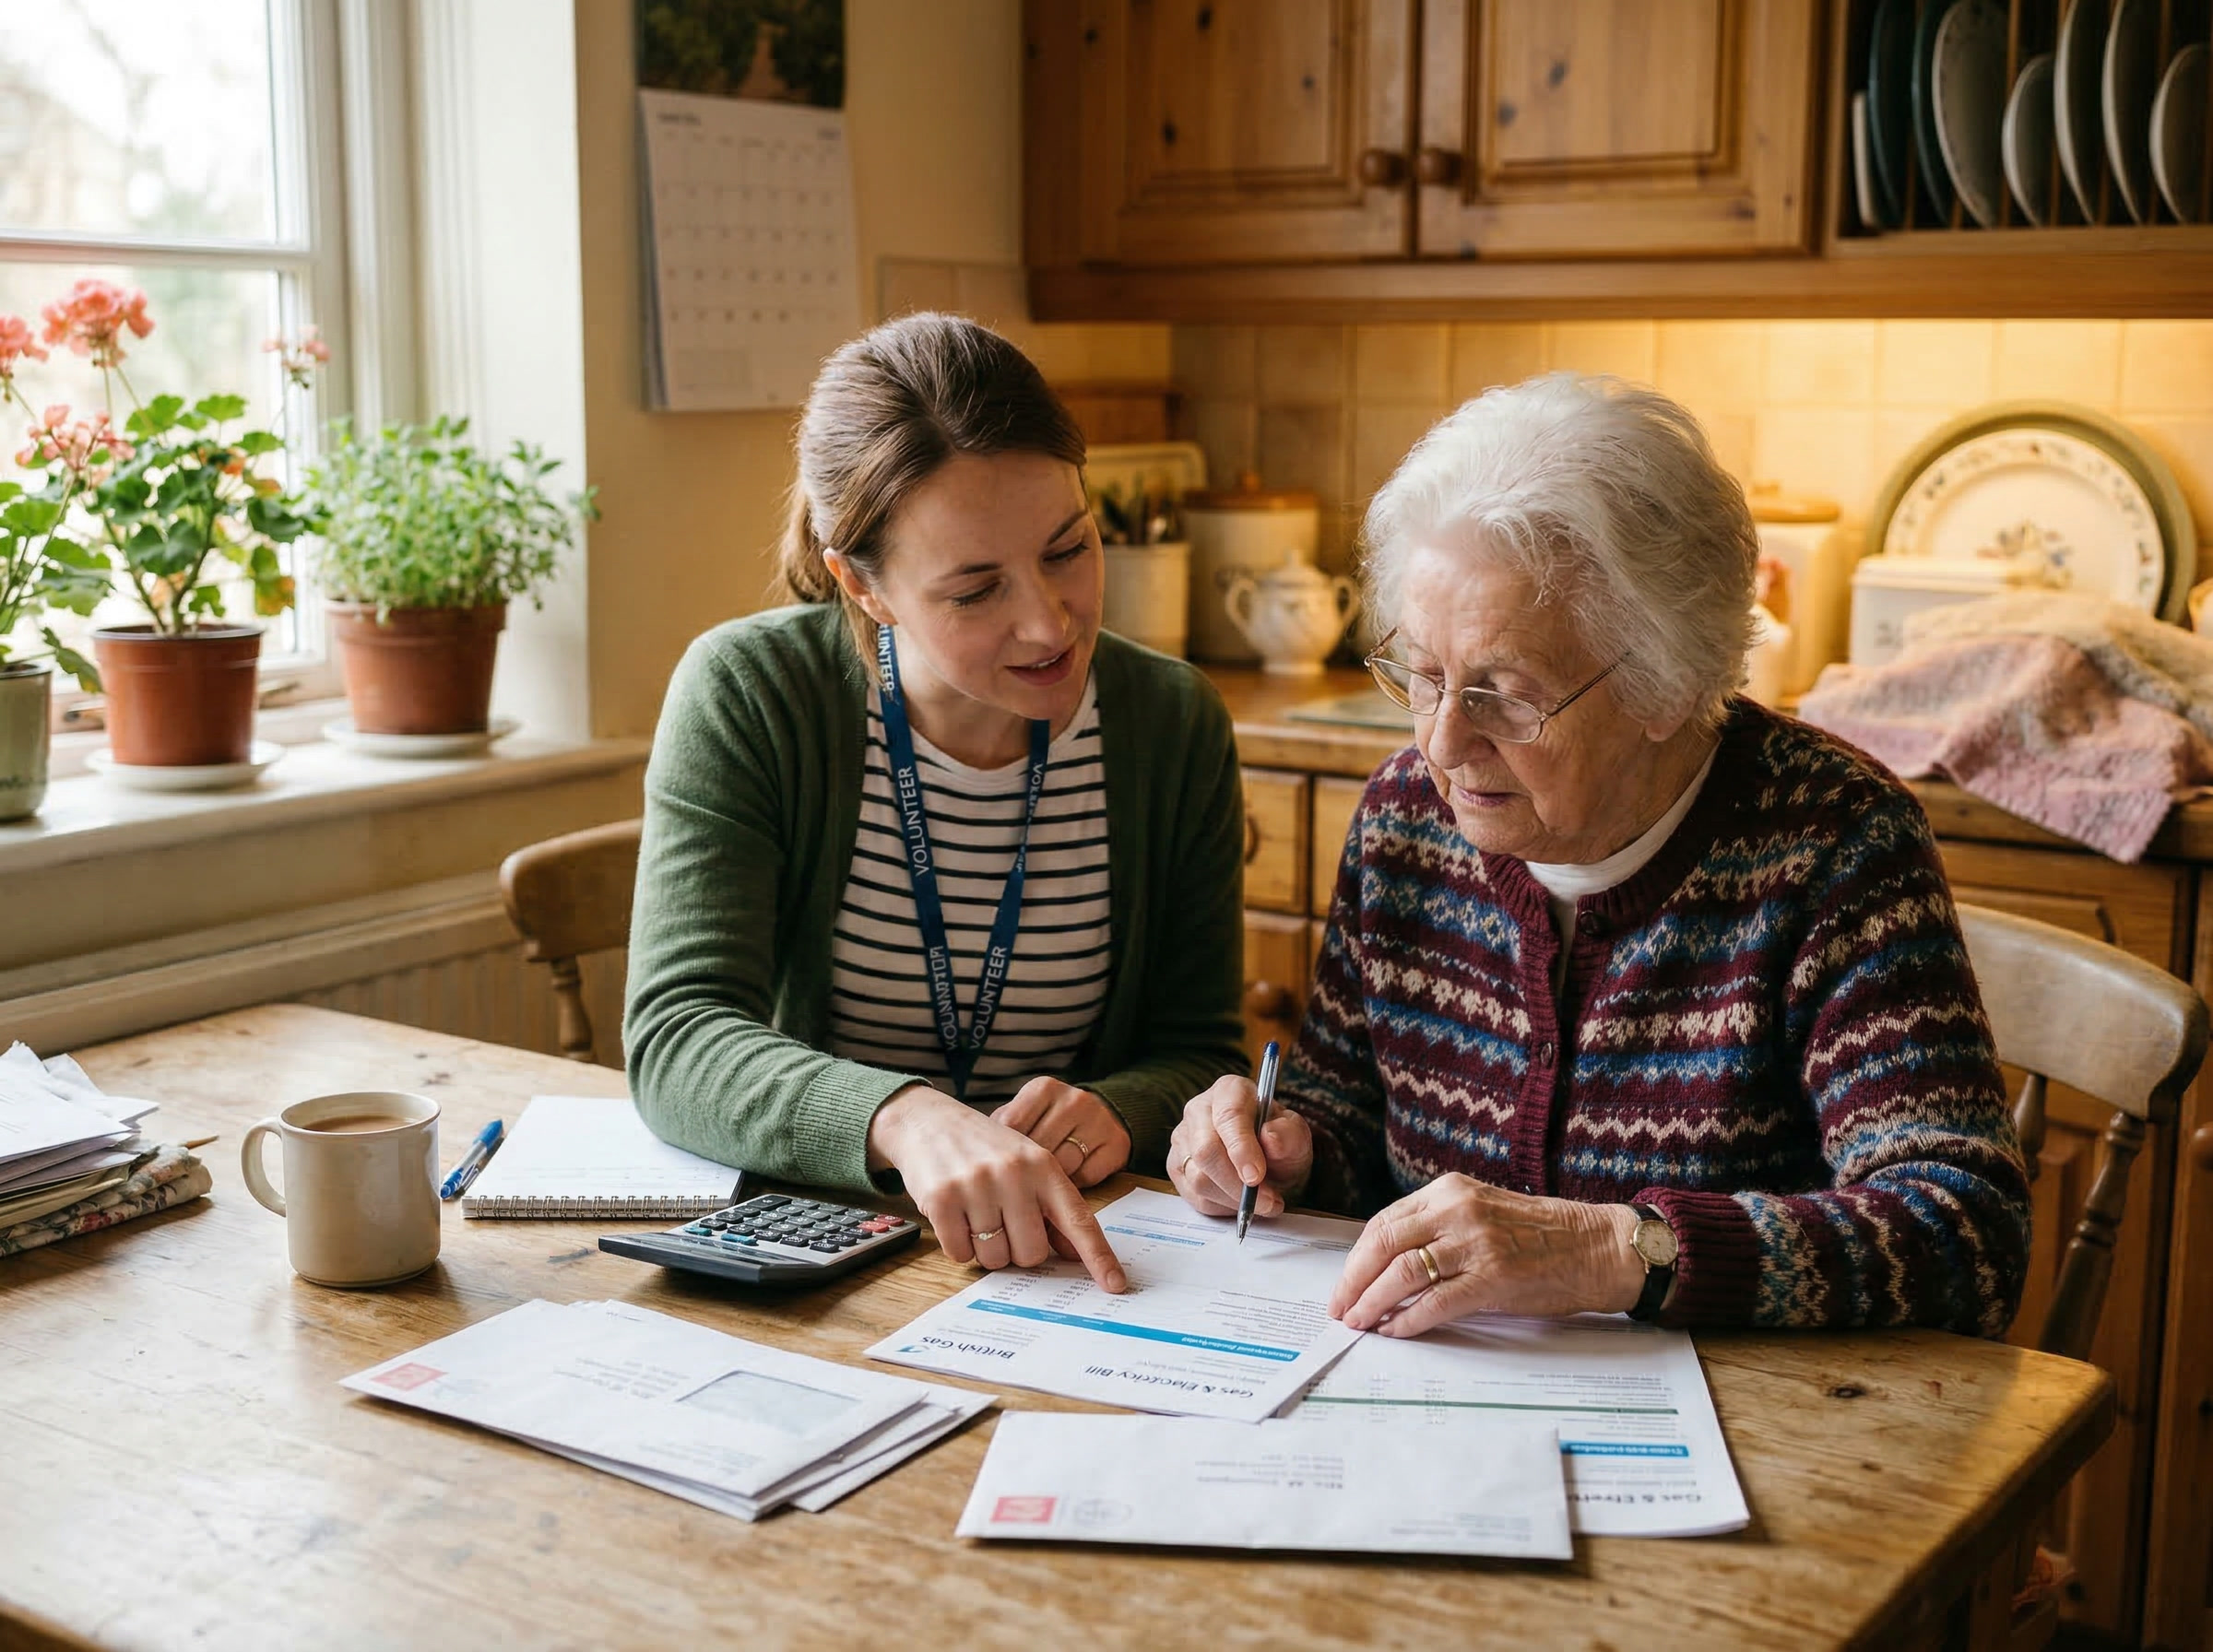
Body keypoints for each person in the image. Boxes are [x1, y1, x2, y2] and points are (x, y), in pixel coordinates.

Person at [1168, 372, 2031, 1340]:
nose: (1445, 742)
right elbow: (1343, 1125)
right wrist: (1282, 1151)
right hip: (1434, 1404)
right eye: (1423, 674)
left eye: (1503, 691)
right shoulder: (1403, 819)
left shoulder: (1833, 844)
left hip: (1760, 1440)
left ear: (1669, 682)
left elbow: (1968, 1233)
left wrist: (1613, 1251)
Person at [626, 313, 1247, 1294]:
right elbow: (679, 1036)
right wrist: (905, 1118)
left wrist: (1121, 1109)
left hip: (1068, 1265)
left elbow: (1200, 1049)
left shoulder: (1172, 722)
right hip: (827, 1267)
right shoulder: (750, 692)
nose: (1048, 622)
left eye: (1069, 548)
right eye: (974, 591)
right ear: (862, 588)